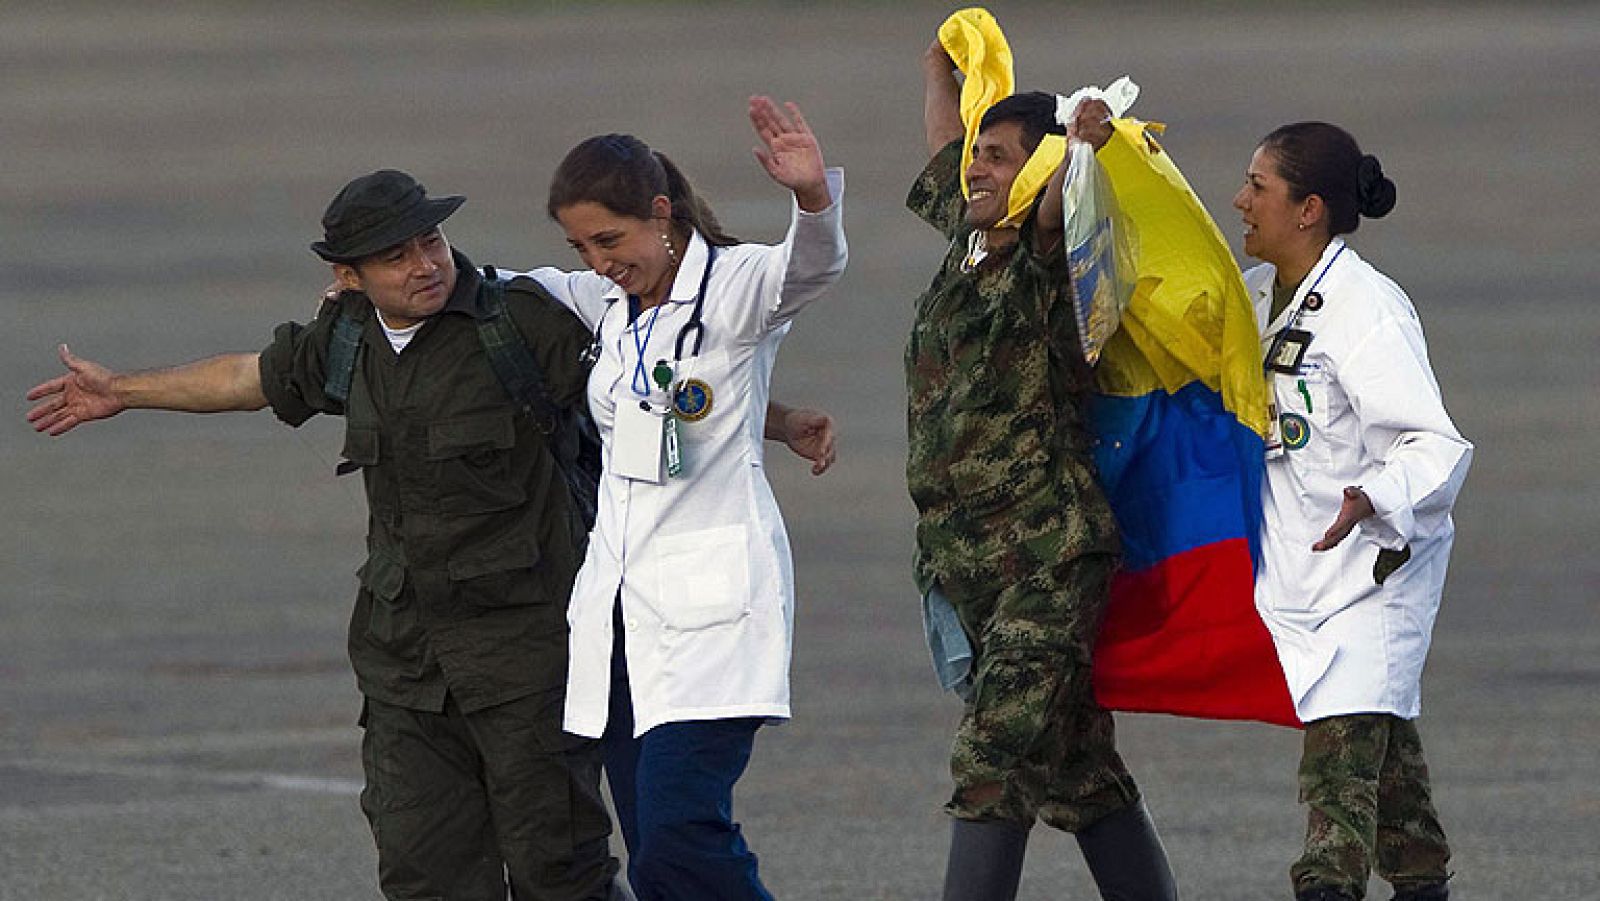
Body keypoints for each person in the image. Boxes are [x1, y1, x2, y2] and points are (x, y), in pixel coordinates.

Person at [23, 168, 836, 901]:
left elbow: (650, 384)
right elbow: (251, 377)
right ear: (350, 277)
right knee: (425, 872)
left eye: (431, 240)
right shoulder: (345, 339)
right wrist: (123, 391)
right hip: (406, 661)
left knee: (562, 872)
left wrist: (778, 420)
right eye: (396, 256)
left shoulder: (517, 325)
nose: (425, 264)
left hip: (529, 657)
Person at [492, 95, 845, 901]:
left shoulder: (734, 287)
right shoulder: (608, 306)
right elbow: (511, 287)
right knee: (652, 846)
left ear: (660, 214)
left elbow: (812, 267)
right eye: (582, 246)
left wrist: (812, 199)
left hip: (713, 609)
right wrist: (388, 288)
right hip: (620, 615)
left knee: (681, 840)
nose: (598, 262)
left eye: (610, 240)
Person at [908, 36, 1177, 901]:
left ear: (1037, 172)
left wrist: (1086, 147)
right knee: (1077, 768)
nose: (976, 168)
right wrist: (937, 74)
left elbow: (1061, 205)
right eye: (977, 154)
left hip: (1047, 557)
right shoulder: (969, 244)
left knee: (992, 760)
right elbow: (947, 152)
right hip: (970, 563)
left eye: (998, 157)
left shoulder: (1046, 256)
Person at [1233, 122, 1471, 901]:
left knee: (1334, 801)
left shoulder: (1367, 311)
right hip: (1301, 573)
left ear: (1308, 210)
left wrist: (1373, 494)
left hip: (1372, 577)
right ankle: (1423, 882)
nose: (1240, 201)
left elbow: (1431, 445)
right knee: (1396, 800)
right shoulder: (1257, 296)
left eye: (1258, 187)